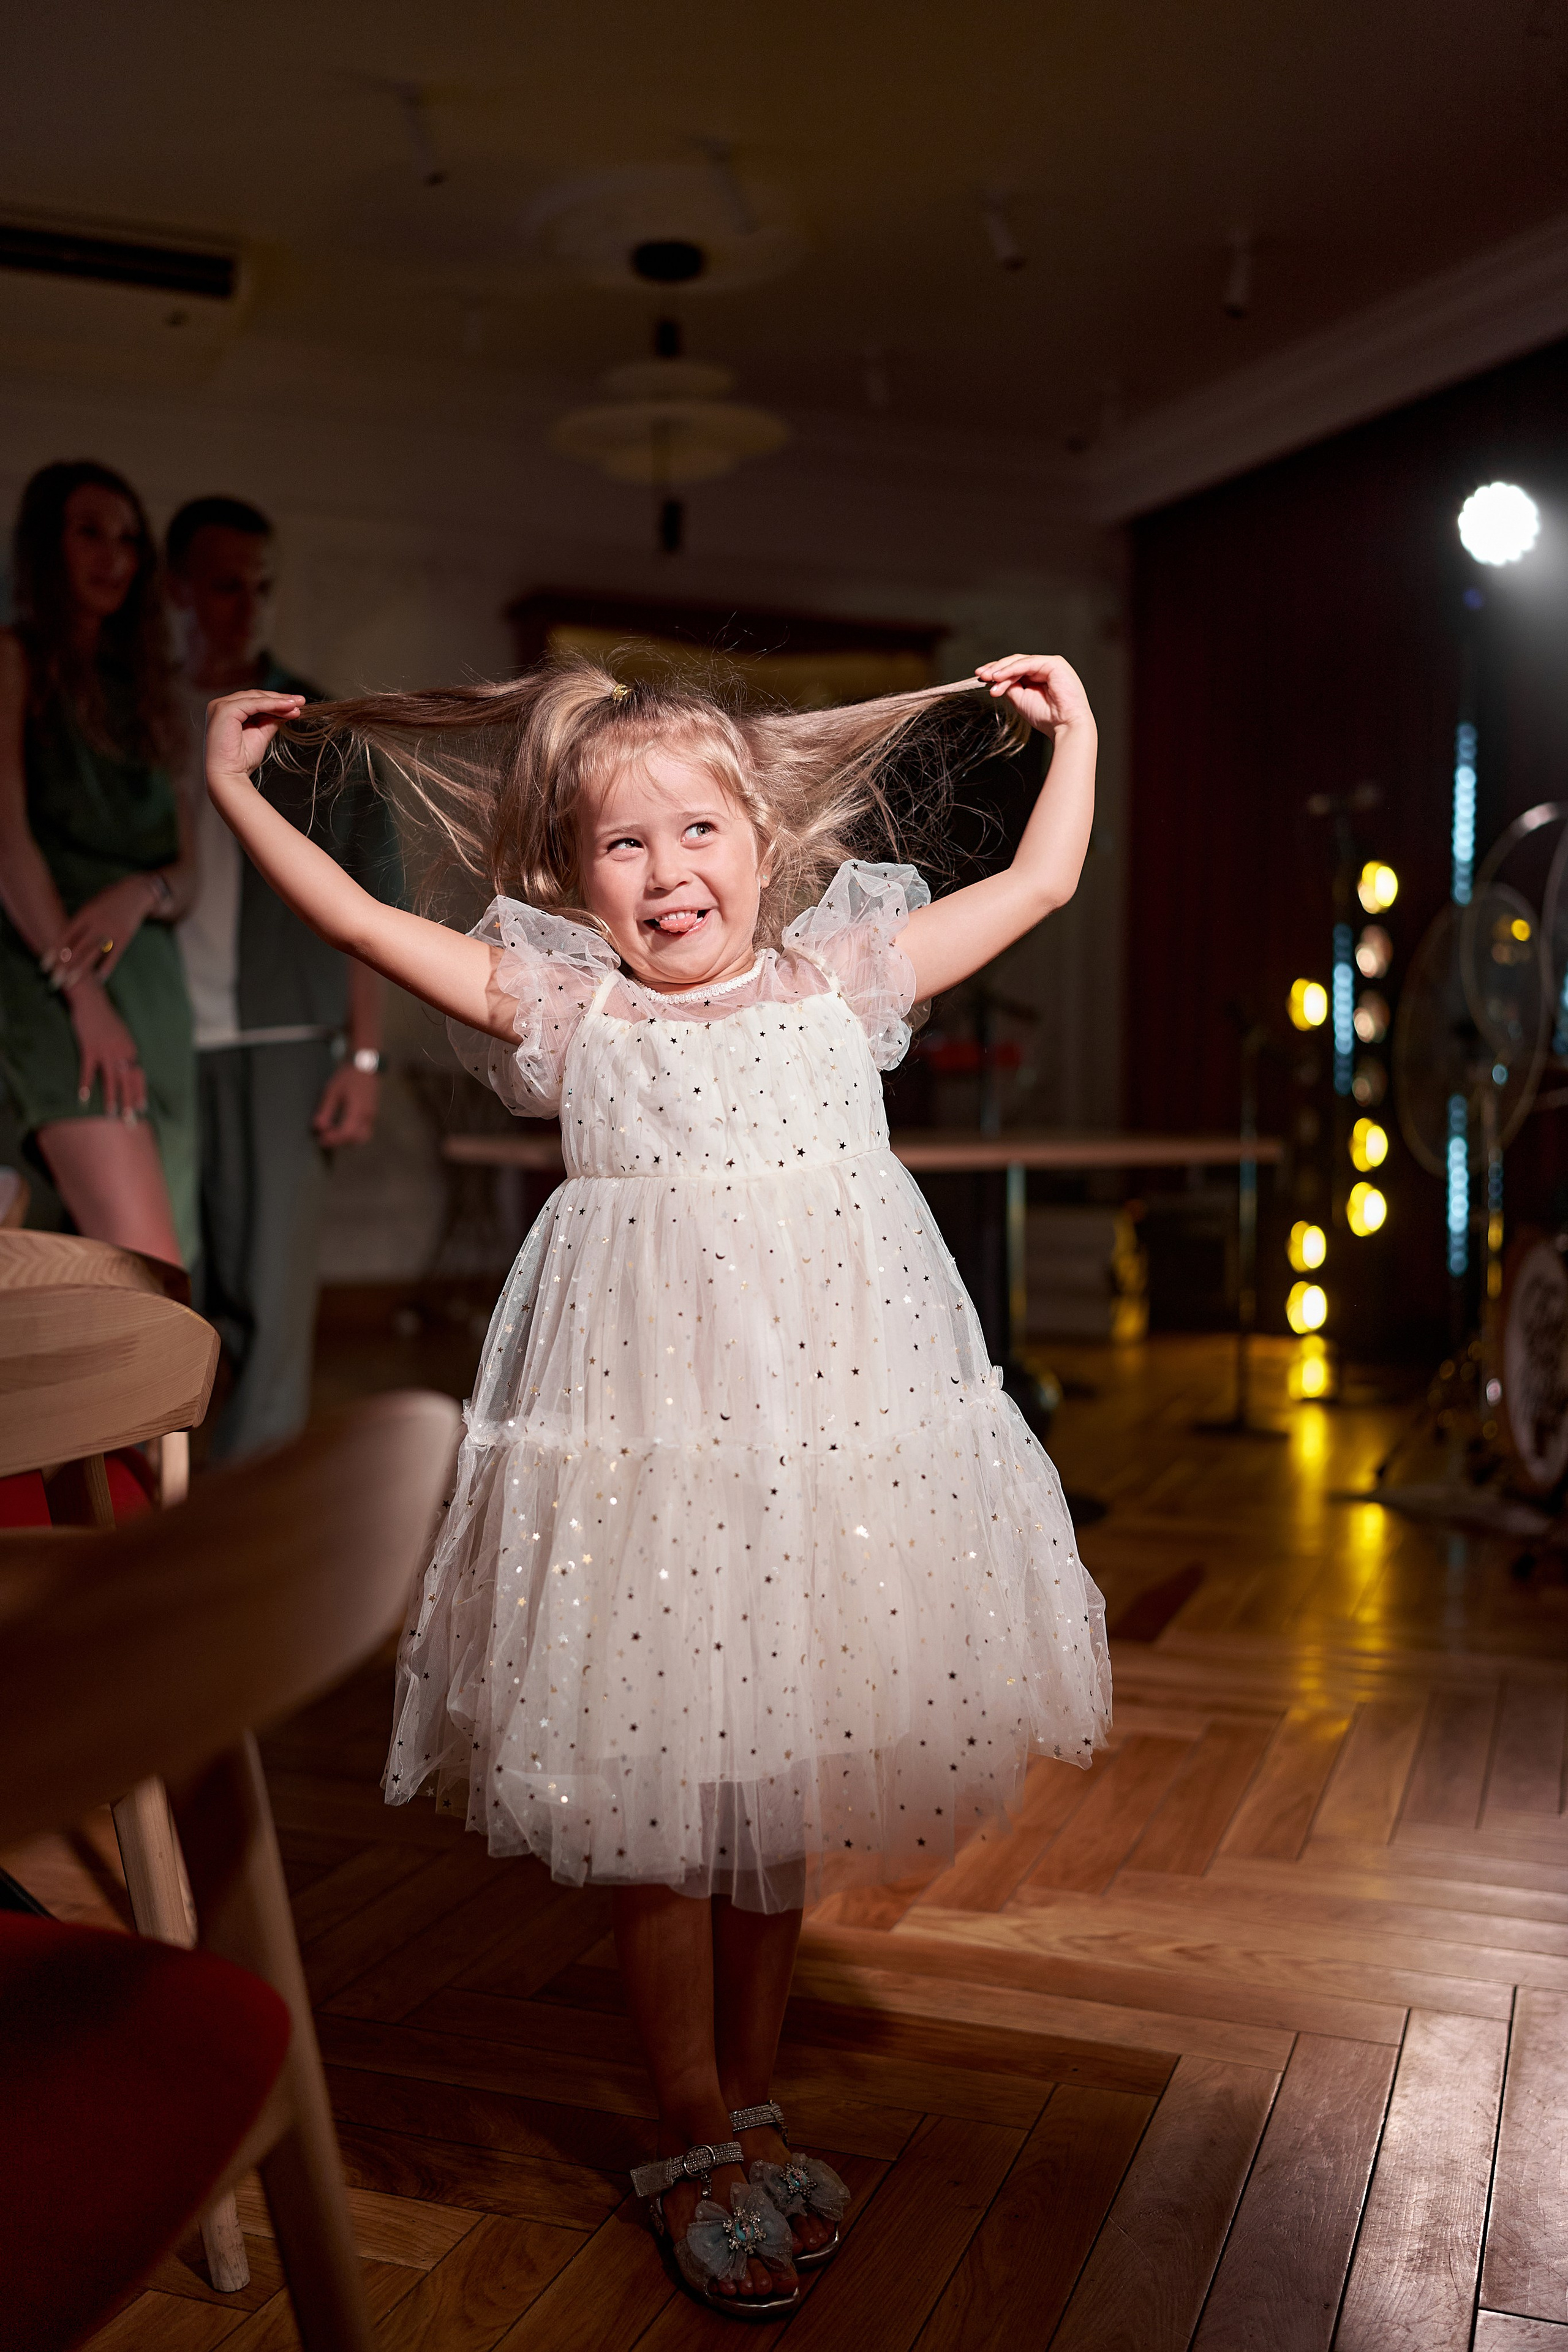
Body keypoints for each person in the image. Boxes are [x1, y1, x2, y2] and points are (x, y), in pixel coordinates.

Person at [202, 654, 1111, 2319]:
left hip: (825, 1464)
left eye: (699, 830)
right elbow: (351, 924)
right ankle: (690, 2121)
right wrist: (231, 790)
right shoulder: (577, 1013)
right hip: (650, 1474)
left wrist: (1077, 738)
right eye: (623, 847)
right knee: (664, 1817)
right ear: (571, 874)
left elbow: (1045, 874)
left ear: (764, 844)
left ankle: (753, 2098)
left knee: (777, 1800)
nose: (668, 870)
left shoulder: (850, 979)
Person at [165, 496, 400, 1458]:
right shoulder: (127, 713)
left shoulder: (322, 730)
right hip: (154, 1034)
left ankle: (253, 1541)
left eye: (262, 587)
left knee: (269, 1295)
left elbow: (374, 911)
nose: (247, 607)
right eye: (225, 585)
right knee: (169, 1288)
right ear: (177, 589)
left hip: (285, 1042)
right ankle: (152, 1509)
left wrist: (366, 1059)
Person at [0, 461, 196, 1265]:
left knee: (142, 1264)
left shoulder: (154, 692)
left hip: (152, 981)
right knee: (151, 1277)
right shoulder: (13, 659)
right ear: (47, 546)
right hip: (54, 971)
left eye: (128, 540)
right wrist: (83, 994)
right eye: (90, 533)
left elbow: (187, 880)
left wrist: (135, 895)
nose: (113, 556)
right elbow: (6, 846)